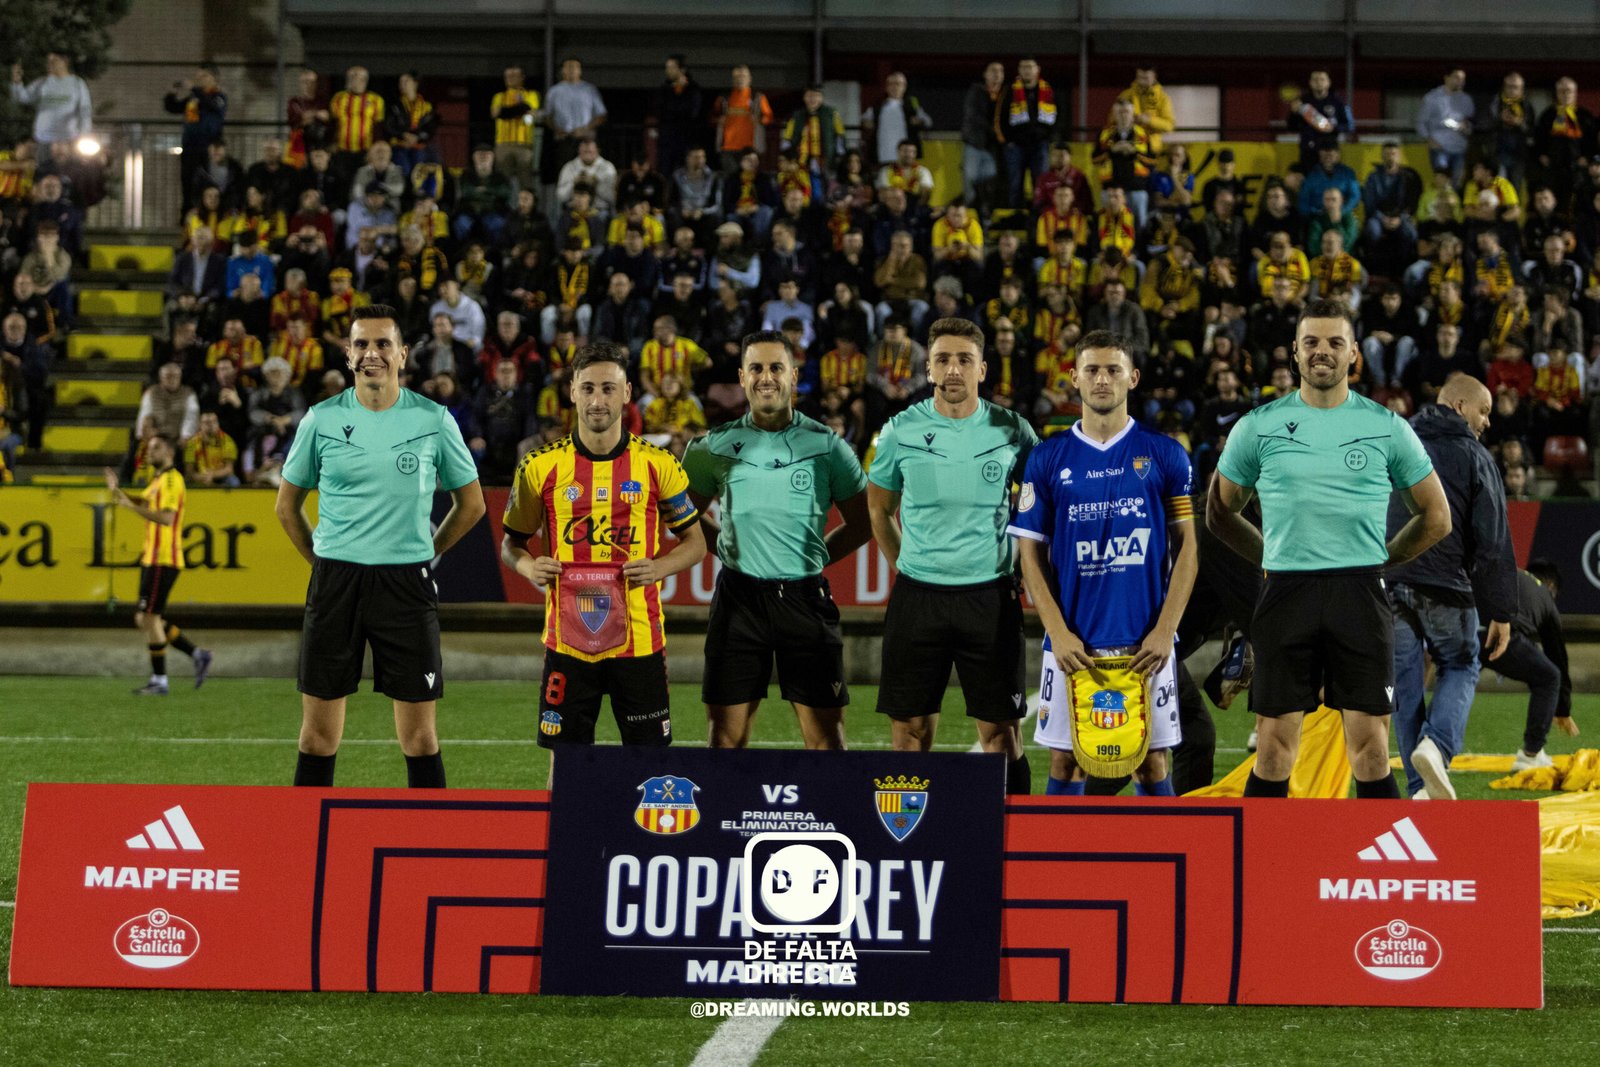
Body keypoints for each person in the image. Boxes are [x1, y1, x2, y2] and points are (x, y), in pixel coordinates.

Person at [1209, 299, 1452, 799]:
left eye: (1335, 343)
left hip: (1360, 593)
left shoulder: (1387, 426)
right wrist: (1268, 554)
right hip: (1284, 593)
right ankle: (1260, 870)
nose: (1323, 352)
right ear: (1295, 353)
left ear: (1354, 354)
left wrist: (1387, 558)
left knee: (1370, 750)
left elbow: (1437, 516)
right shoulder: (1257, 425)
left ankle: (1371, 873)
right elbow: (1220, 511)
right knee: (1274, 750)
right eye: (1312, 343)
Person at [275, 304, 487, 788]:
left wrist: (428, 553)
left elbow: (471, 504)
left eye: (383, 344)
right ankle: (309, 847)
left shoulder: (434, 419)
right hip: (336, 582)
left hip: (406, 584)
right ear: (348, 355)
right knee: (316, 738)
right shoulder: (320, 420)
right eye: (362, 345)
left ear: (403, 354)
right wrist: (322, 561)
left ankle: (428, 851)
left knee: (419, 740)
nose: (373, 354)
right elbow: (286, 507)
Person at [500, 341, 706, 770]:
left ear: (628, 392)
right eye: (588, 388)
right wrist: (528, 565)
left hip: (640, 641)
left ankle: (644, 840)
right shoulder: (539, 467)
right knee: (567, 765)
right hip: (569, 643)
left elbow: (696, 544)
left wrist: (659, 567)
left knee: (649, 766)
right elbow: (510, 544)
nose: (598, 400)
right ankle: (566, 840)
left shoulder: (658, 464)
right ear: (572, 391)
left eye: (609, 389)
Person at [1010, 330, 1197, 795]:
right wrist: (1056, 631)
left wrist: (1164, 630)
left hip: (1146, 642)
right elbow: (1029, 553)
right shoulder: (1047, 458)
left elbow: (1189, 549)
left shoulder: (1166, 454)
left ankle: (1164, 865)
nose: (1102, 379)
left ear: (1132, 378)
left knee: (1152, 763)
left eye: (1113, 369)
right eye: (1091, 369)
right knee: (1065, 762)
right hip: (1073, 642)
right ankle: (1059, 868)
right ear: (1073, 378)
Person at [867, 318, 1039, 793]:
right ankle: (916, 849)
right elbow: (879, 511)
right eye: (943, 359)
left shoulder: (1014, 431)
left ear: (983, 369)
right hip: (918, 599)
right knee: (909, 736)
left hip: (990, 598)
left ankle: (1014, 843)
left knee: (1001, 735)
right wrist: (905, 565)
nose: (954, 369)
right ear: (929, 367)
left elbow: (1037, 508)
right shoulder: (900, 430)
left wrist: (1027, 566)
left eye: (964, 359)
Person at [681, 330, 871, 749]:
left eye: (775, 368)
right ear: (742, 377)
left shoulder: (827, 446)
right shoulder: (710, 447)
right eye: (756, 368)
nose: (766, 377)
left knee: (826, 743)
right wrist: (728, 548)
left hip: (805, 600)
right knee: (724, 744)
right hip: (738, 601)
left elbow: (863, 522)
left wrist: (816, 559)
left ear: (793, 375)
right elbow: (682, 516)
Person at [1385, 373, 1516, 801]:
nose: (1488, 422)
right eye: (1484, 411)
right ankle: (1437, 747)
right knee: (1460, 665)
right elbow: (1492, 540)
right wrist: (1501, 611)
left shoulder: (1396, 444)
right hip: (1446, 585)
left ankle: (1422, 790)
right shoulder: (1474, 456)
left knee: (1405, 690)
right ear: (1460, 407)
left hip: (1390, 584)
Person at [102, 436, 215, 695]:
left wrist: (129, 505)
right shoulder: (158, 480)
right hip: (152, 557)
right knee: (146, 618)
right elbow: (141, 502)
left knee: (149, 618)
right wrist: (117, 491)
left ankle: (160, 680)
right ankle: (198, 654)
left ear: (169, 451)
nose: (149, 452)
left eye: (155, 448)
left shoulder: (173, 480)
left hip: (164, 557)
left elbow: (166, 518)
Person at [1498, 559, 1577, 770]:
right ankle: (1531, 754)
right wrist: (1563, 710)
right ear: (1552, 586)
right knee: (1549, 676)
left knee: (1457, 677)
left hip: (1468, 627)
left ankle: (1433, 745)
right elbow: (1557, 657)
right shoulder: (1546, 597)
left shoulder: (1512, 573)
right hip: (1505, 634)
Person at [163, 63, 227, 212]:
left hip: (209, 150)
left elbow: (212, 105)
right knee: (188, 184)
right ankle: (187, 219)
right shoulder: (194, 98)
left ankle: (209, 216)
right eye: (198, 78)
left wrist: (194, 89)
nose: (200, 80)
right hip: (190, 148)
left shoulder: (219, 97)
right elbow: (174, 108)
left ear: (215, 78)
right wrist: (171, 94)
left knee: (209, 184)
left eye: (204, 76)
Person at [1001, 57, 1059, 210]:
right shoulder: (1010, 90)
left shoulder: (1048, 90)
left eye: (1030, 67)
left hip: (1040, 145)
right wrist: (1008, 140)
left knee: (1040, 183)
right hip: (1016, 145)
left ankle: (1039, 216)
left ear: (1037, 69)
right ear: (1019, 70)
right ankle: (1015, 217)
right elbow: (1001, 117)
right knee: (1014, 184)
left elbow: (1059, 115)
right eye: (1023, 67)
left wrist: (1050, 138)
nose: (1027, 70)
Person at [9, 52, 92, 149]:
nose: (50, 64)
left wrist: (84, 135)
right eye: (48, 61)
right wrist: (16, 81)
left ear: (64, 61)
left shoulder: (77, 84)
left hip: (67, 140)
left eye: (54, 61)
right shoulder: (41, 83)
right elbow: (21, 98)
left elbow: (85, 110)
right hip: (43, 139)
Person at [1416, 69, 1474, 188]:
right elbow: (1420, 122)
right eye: (1457, 77)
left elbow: (1471, 122)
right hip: (1439, 148)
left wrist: (1467, 127)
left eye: (1463, 79)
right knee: (1442, 183)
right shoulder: (1432, 98)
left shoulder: (1466, 100)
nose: (1460, 82)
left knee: (1456, 185)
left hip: (1459, 148)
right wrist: (1429, 140)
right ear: (1446, 78)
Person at [961, 62, 1005, 219]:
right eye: (993, 70)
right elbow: (975, 117)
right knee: (970, 182)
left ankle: (985, 218)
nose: (997, 74)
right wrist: (996, 132)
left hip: (992, 148)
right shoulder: (976, 91)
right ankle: (967, 218)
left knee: (990, 184)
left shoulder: (1005, 94)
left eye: (1000, 71)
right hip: (975, 144)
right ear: (985, 74)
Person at [861, 71, 932, 168]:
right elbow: (865, 119)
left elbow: (927, 121)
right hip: (883, 155)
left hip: (906, 157)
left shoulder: (912, 105)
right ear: (886, 87)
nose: (894, 87)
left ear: (904, 87)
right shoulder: (878, 105)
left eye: (898, 84)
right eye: (891, 84)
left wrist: (919, 121)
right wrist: (867, 123)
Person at [711, 65, 773, 175]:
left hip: (751, 148)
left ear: (749, 79)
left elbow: (769, 117)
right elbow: (712, 117)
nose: (740, 79)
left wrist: (759, 120)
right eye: (736, 77)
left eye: (743, 76)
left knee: (749, 180)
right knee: (731, 179)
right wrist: (718, 120)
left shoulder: (757, 97)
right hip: (727, 147)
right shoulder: (724, 97)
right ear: (732, 79)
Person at [1287, 70, 1354, 169]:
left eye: (1322, 79)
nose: (1318, 82)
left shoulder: (1339, 102)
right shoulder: (1302, 103)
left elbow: (1350, 126)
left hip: (1329, 152)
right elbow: (1291, 127)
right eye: (1315, 79)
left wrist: (1333, 128)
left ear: (1328, 82)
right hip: (1308, 151)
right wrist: (1293, 113)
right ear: (1310, 83)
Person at [490, 66, 540, 194]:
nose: (510, 79)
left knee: (525, 181)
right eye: (508, 76)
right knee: (502, 180)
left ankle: (527, 209)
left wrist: (506, 112)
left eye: (514, 76)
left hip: (524, 144)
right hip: (503, 144)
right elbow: (496, 113)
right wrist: (519, 109)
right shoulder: (499, 96)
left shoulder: (531, 94)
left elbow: (530, 110)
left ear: (522, 77)